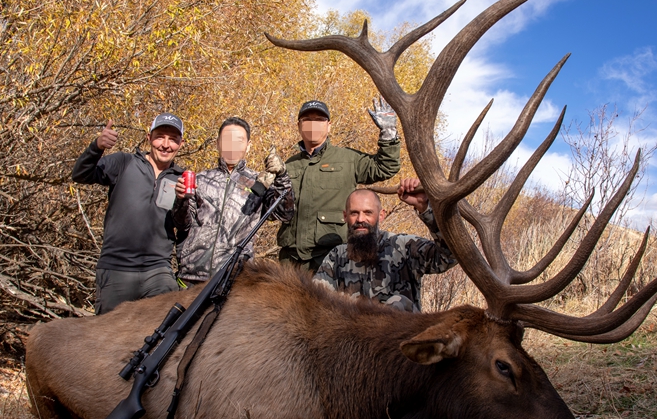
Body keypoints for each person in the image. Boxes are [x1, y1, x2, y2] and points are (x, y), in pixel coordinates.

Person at [72, 113, 186, 314]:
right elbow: (81, 175)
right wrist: (96, 147)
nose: (166, 145)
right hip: (117, 268)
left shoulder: (182, 179)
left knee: (165, 331)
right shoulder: (124, 163)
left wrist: (184, 201)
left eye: (173, 139)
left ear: (181, 144)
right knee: (109, 336)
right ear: (148, 137)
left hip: (157, 270)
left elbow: (185, 224)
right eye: (160, 137)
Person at [277, 98, 401, 272]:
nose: (313, 125)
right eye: (307, 120)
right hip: (291, 262)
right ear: (299, 126)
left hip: (332, 260)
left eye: (319, 120)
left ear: (329, 125)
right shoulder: (288, 166)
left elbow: (386, 166)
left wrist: (388, 132)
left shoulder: (348, 159)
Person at [172, 117, 294, 287]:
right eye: (227, 140)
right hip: (191, 279)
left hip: (235, 281)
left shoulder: (258, 183)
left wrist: (282, 177)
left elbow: (284, 213)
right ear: (218, 143)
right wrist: (180, 200)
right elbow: (182, 224)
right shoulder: (200, 179)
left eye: (238, 141)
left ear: (248, 145)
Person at [313, 178, 457, 312]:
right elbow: (315, 301)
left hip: (402, 336)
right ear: (345, 216)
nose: (361, 219)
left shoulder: (404, 247)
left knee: (398, 302)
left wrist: (425, 208)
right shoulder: (336, 257)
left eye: (368, 213)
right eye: (354, 213)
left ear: (381, 215)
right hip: (354, 336)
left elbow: (449, 256)